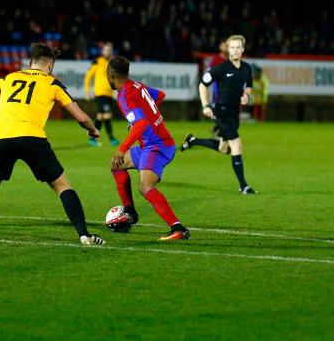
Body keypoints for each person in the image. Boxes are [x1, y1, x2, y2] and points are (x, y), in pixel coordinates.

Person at [0, 42, 105, 246]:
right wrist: (92, 130)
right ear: (51, 65)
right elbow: (81, 117)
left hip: (1, 137)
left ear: (30, 62)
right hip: (32, 137)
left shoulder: (8, 78)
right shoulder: (52, 83)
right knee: (62, 186)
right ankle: (84, 235)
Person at [107, 56, 190, 241]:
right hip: (149, 145)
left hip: (157, 146)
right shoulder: (136, 86)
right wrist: (149, 112)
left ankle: (178, 228)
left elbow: (141, 123)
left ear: (111, 75)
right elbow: (160, 95)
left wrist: (122, 148)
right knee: (116, 166)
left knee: (145, 187)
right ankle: (130, 211)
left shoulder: (124, 95)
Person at [180, 35, 257, 194]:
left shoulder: (247, 68)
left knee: (225, 149)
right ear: (228, 49)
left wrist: (246, 95)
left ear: (243, 49)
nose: (235, 50)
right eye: (232, 47)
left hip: (235, 113)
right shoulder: (221, 68)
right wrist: (205, 105)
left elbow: (248, 85)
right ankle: (244, 186)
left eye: (238, 47)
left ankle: (193, 141)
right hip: (221, 111)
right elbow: (202, 84)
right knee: (236, 144)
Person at [84, 42, 119, 147]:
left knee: (100, 116)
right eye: (106, 50)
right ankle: (112, 138)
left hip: (109, 94)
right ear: (102, 51)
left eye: (109, 50)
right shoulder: (97, 61)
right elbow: (88, 76)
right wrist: (87, 92)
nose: (107, 52)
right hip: (100, 93)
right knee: (107, 114)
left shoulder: (112, 64)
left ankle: (92, 138)